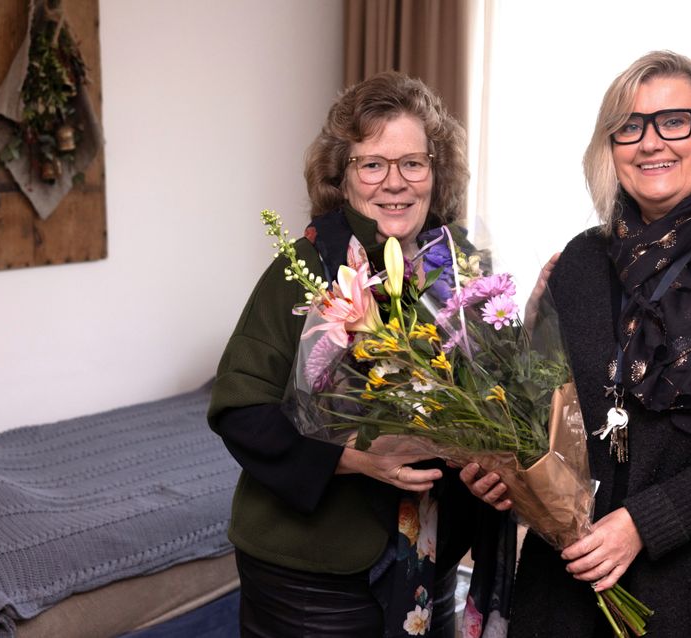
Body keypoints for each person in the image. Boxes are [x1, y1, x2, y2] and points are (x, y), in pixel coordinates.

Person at [463, 50, 691, 636]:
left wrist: (646, 521)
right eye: (629, 126)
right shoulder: (582, 261)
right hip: (569, 586)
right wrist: (505, 471)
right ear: (609, 147)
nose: (650, 142)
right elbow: (542, 413)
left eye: (674, 120)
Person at [208, 72, 498, 637]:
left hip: (430, 560)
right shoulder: (307, 268)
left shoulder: (460, 268)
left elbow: (491, 401)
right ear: (342, 179)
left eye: (413, 163)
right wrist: (355, 457)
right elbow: (240, 411)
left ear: (437, 175)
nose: (395, 183)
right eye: (372, 165)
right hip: (311, 574)